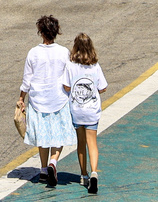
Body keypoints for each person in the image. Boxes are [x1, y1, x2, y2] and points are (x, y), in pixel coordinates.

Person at [18, 14, 75, 188]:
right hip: (58, 99)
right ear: (56, 32)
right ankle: (53, 163)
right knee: (57, 134)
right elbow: (69, 77)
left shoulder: (33, 52)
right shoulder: (64, 52)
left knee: (42, 135)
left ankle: (43, 170)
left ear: (41, 32)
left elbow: (27, 80)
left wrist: (21, 98)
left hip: (38, 100)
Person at [65, 34, 108, 195]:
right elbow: (103, 87)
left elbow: (66, 86)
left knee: (80, 143)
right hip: (92, 110)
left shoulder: (70, 66)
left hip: (77, 110)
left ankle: (84, 175)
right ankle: (94, 172)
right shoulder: (95, 66)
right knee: (92, 143)